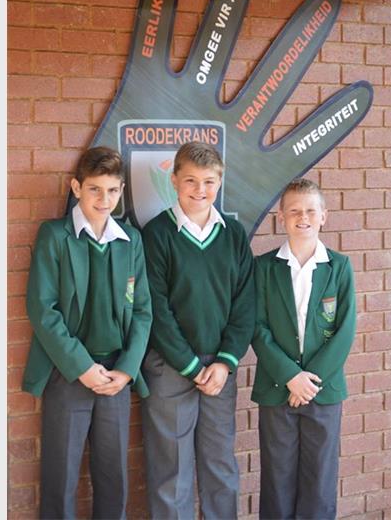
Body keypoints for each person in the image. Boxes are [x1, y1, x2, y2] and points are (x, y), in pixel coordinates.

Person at [21, 146, 152, 520]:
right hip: (68, 373)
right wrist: (81, 367)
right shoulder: (55, 236)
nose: (104, 199)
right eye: (94, 189)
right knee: (61, 474)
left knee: (113, 476)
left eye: (112, 190)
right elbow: (43, 309)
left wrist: (126, 369)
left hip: (115, 375)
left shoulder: (130, 240)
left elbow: (143, 310)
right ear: (76, 187)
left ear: (121, 190)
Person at [140, 141, 256, 519]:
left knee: (219, 464)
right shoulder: (157, 234)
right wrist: (190, 365)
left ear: (219, 183)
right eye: (190, 180)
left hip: (220, 369)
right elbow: (156, 309)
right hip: (171, 366)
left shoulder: (233, 234)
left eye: (208, 181)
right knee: (171, 470)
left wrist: (225, 361)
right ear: (174, 180)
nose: (200, 189)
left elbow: (245, 304)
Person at [251, 177, 357, 520]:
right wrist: (290, 376)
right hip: (277, 388)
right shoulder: (264, 267)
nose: (303, 217)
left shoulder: (339, 267)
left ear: (324, 216)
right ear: (281, 217)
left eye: (311, 210)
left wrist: (309, 381)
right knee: (277, 479)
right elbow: (257, 327)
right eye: (294, 211)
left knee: (319, 482)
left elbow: (344, 331)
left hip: (323, 392)